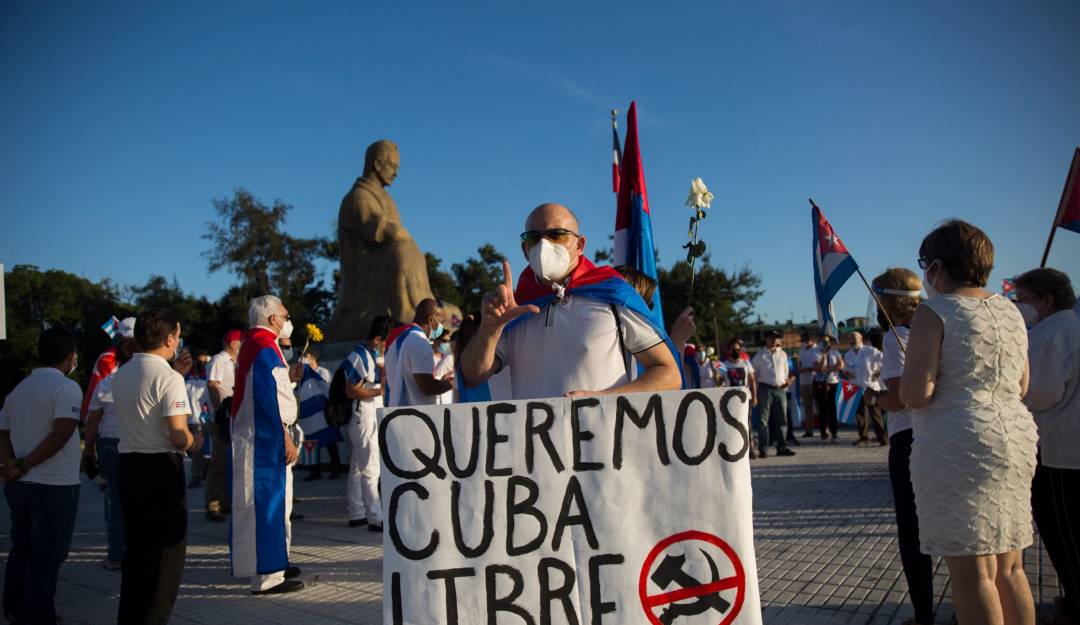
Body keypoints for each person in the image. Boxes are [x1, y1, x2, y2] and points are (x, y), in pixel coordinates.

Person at [899, 220, 1037, 625]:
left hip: (961, 442)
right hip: (1015, 436)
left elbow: (915, 394)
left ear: (937, 266)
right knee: (1011, 567)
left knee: (973, 574)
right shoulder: (1011, 311)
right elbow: (1024, 385)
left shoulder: (934, 311)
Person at [459, 203, 681, 399]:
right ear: (525, 249)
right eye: (534, 238)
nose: (544, 245)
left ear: (580, 244)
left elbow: (668, 374)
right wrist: (489, 330)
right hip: (533, 443)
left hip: (605, 442)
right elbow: (472, 376)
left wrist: (604, 399)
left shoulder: (613, 296)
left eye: (557, 235)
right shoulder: (515, 309)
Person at [111, 309, 202, 624]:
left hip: (129, 465)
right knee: (165, 559)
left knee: (136, 552)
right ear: (170, 337)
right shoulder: (169, 377)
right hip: (160, 469)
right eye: (178, 333)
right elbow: (178, 435)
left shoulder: (121, 374)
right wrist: (195, 441)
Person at [0, 327, 83, 625]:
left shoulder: (19, 388)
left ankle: (14, 609)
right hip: (54, 485)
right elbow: (62, 432)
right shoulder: (67, 388)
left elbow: (3, 432)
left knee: (21, 549)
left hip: (20, 485)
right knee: (47, 557)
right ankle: (37, 615)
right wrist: (22, 464)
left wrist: (10, 464)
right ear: (70, 356)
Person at [1014, 268, 1080, 625]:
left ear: (1047, 299)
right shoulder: (1068, 326)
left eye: (1023, 299)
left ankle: (1076, 603)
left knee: (1064, 530)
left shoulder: (1053, 333)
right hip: (1068, 444)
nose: (1018, 306)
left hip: (1060, 449)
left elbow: (1041, 393)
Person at [871, 267, 934, 625]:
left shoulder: (894, 338)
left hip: (908, 438)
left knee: (912, 531)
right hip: (938, 436)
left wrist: (873, 399)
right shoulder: (935, 330)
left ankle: (924, 615)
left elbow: (899, 399)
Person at [230, 295, 305, 595]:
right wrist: (284, 436)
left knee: (273, 505)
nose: (288, 321)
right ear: (273, 319)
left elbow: (270, 388)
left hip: (260, 435)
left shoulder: (257, 344)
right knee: (268, 506)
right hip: (264, 438)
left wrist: (290, 379)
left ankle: (275, 563)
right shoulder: (263, 346)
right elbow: (269, 399)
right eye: (285, 315)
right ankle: (268, 575)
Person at [83, 333, 138, 570]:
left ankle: (116, 555)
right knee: (138, 501)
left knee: (115, 501)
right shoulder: (145, 380)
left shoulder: (106, 383)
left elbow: (94, 421)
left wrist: (89, 450)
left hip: (108, 444)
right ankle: (138, 554)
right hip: (137, 444)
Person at [340, 316, 389, 530]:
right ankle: (375, 516)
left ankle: (357, 511)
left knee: (358, 467)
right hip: (364, 415)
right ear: (378, 339)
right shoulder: (361, 356)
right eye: (385, 342)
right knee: (371, 467)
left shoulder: (370, 355)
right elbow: (352, 391)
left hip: (369, 414)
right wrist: (380, 391)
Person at [384, 298, 454, 407]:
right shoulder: (420, 341)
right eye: (441, 322)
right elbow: (428, 387)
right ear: (431, 319)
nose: (442, 327)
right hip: (415, 416)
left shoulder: (398, 337)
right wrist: (451, 383)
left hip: (396, 410)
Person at [205, 329, 241, 522]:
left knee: (229, 460)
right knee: (219, 461)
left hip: (231, 417)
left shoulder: (232, 362)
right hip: (221, 418)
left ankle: (225, 501)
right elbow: (212, 385)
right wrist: (220, 411)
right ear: (234, 343)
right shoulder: (219, 360)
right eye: (240, 342)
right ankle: (213, 504)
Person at [296, 354, 344, 482]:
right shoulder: (301, 374)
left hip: (323, 412)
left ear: (313, 358)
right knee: (310, 443)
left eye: (306, 356)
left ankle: (336, 468)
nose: (303, 359)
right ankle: (314, 471)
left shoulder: (323, 372)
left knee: (330, 442)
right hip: (309, 414)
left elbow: (330, 389)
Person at [81, 316, 136, 422]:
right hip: (100, 420)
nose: (132, 344)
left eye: (134, 340)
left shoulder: (132, 358)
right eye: (128, 340)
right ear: (119, 337)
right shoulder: (108, 358)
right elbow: (110, 391)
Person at [751, 332, 796, 458]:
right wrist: (755, 391)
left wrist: (786, 382)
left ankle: (781, 446)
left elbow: (786, 371)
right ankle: (763, 448)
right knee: (763, 420)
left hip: (780, 389)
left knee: (782, 419)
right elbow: (753, 373)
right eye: (770, 337)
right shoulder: (760, 355)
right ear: (765, 339)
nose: (773, 340)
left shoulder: (782, 354)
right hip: (765, 389)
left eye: (775, 338)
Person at [844, 331, 887, 446]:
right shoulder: (848, 354)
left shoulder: (870, 351)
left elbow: (885, 361)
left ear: (861, 338)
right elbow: (845, 369)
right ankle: (863, 437)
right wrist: (846, 373)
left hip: (870, 387)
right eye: (850, 337)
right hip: (854, 387)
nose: (852, 340)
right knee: (859, 414)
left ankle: (882, 438)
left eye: (854, 337)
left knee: (875, 413)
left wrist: (878, 374)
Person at [185, 350, 212, 488]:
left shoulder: (208, 379)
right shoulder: (187, 378)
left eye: (204, 362)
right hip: (187, 421)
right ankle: (205, 467)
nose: (201, 364)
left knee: (197, 449)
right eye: (199, 361)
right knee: (190, 450)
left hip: (201, 421)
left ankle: (197, 476)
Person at [812, 333, 843, 443]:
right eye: (823, 341)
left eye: (826, 341)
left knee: (832, 409)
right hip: (820, 384)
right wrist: (823, 356)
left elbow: (840, 365)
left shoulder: (835, 352)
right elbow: (818, 368)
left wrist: (827, 369)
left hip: (833, 383)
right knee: (822, 410)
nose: (825, 343)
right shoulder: (816, 352)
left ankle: (834, 434)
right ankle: (824, 434)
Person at [797, 333, 820, 437]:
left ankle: (824, 430)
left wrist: (806, 369)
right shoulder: (801, 350)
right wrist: (804, 369)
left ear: (812, 340)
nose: (804, 342)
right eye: (803, 340)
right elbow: (799, 365)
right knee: (807, 408)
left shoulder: (818, 350)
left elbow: (817, 366)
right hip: (804, 382)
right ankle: (809, 430)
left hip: (815, 381)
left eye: (806, 340)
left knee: (820, 407)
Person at [432, 332, 455, 404]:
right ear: (436, 341)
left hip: (449, 398)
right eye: (444, 341)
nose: (447, 343)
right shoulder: (429, 357)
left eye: (448, 341)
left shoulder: (447, 356)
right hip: (437, 399)